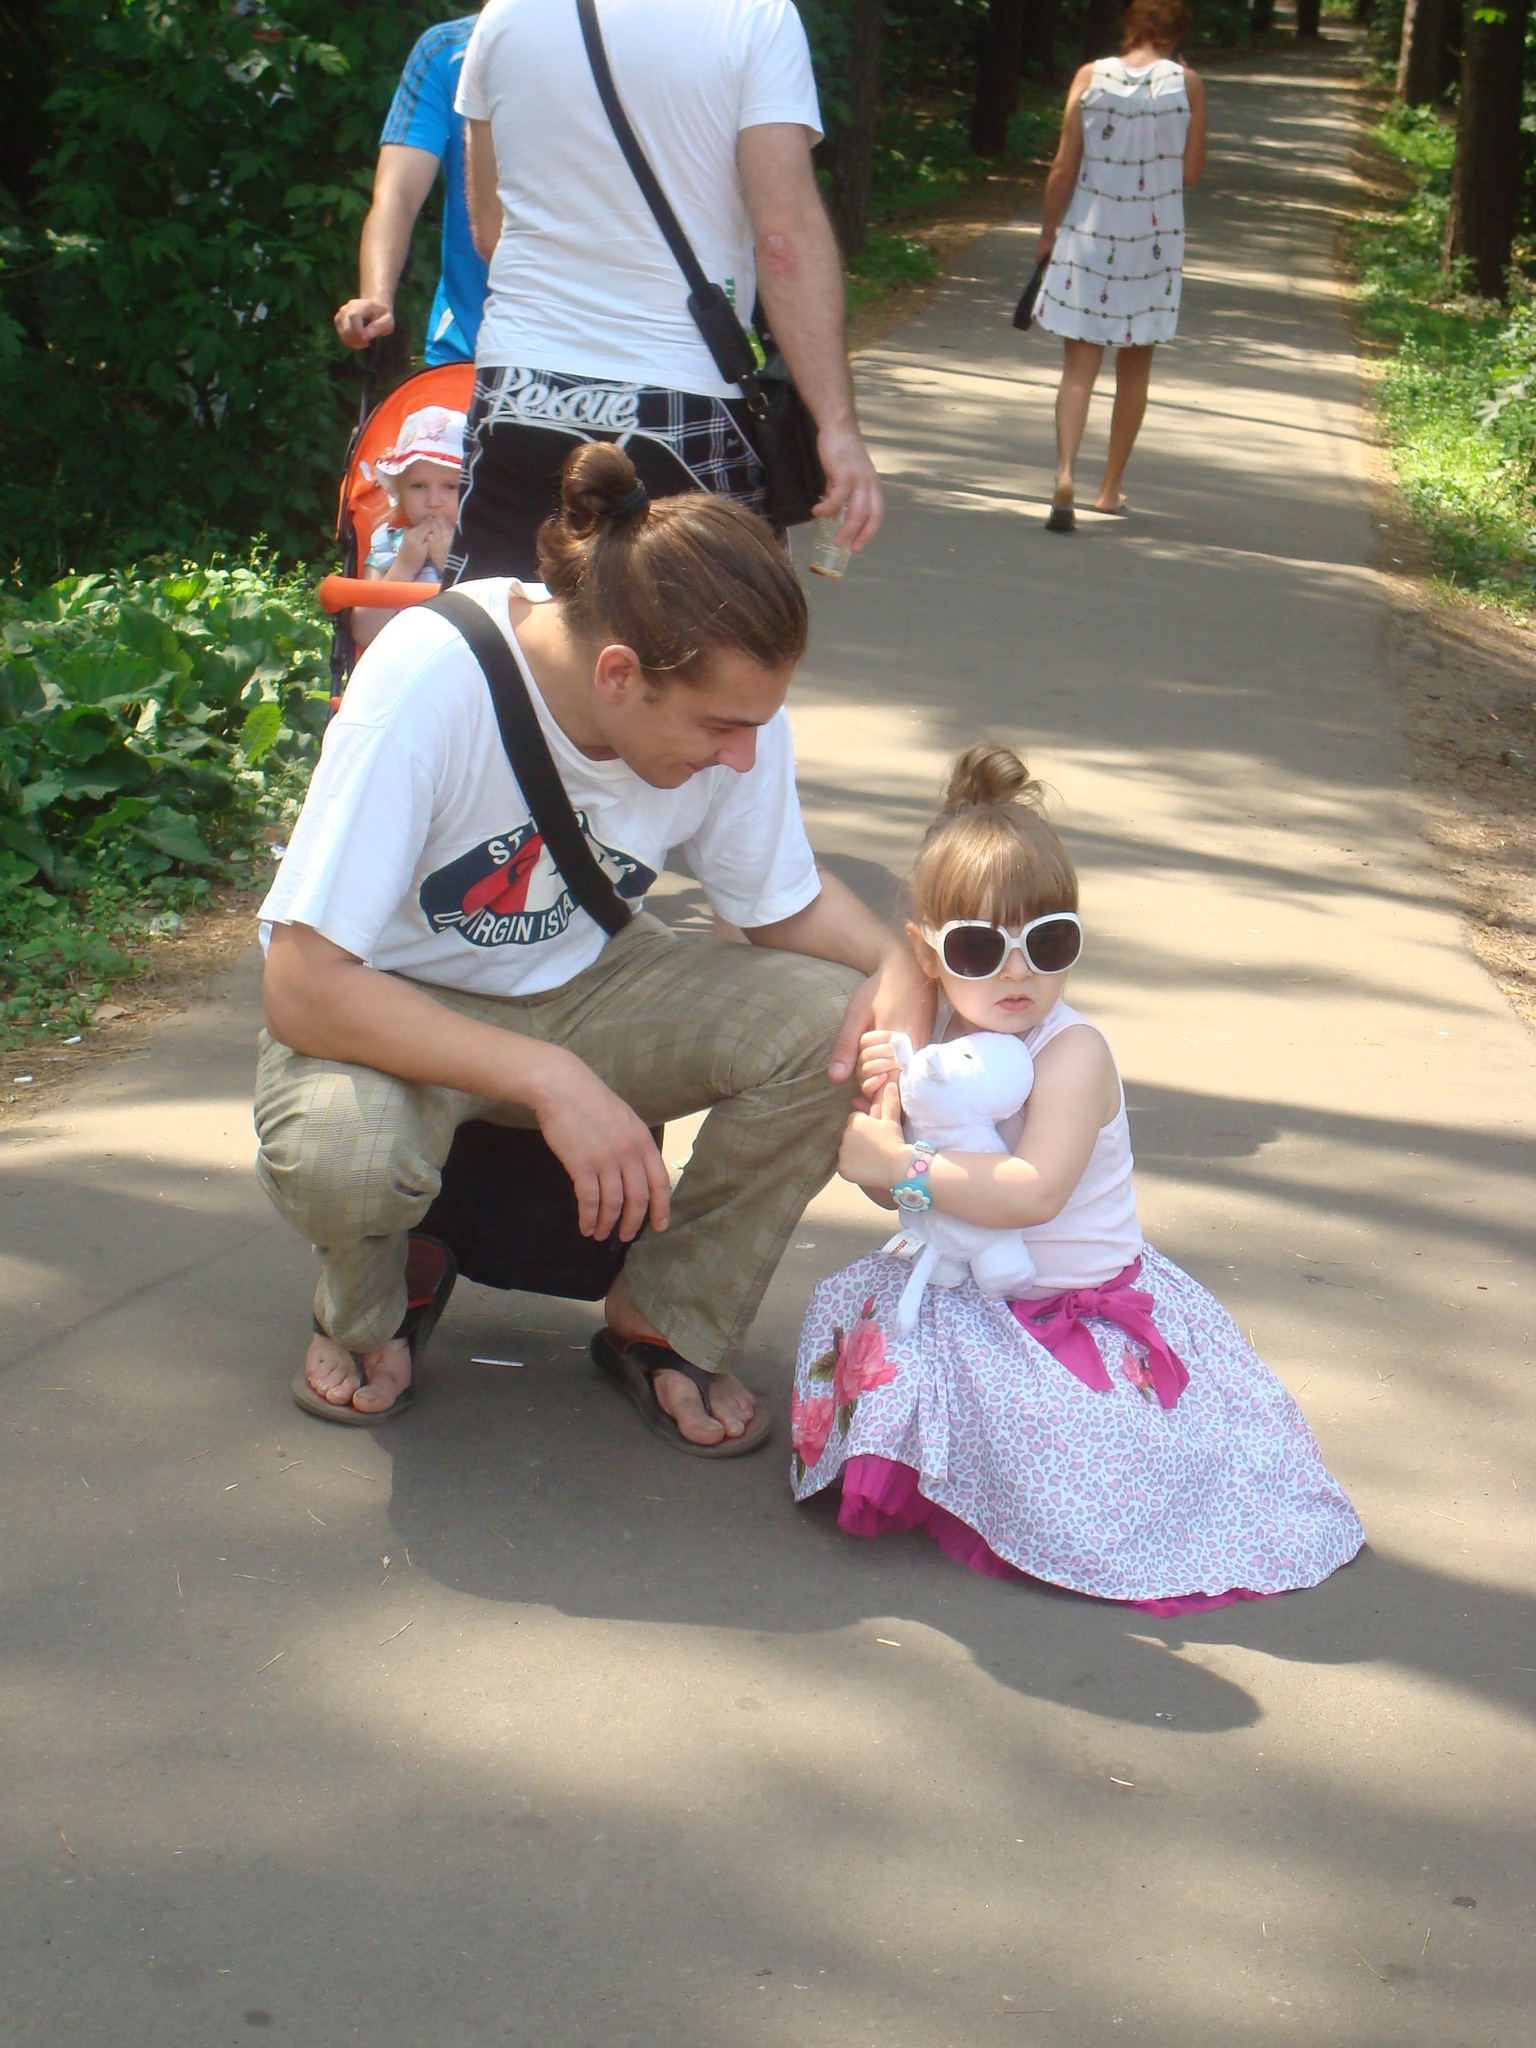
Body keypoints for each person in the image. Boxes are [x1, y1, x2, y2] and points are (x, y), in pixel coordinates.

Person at [255, 444, 926, 1451]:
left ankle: (668, 1315)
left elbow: (779, 901)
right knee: (347, 1159)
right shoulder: (433, 677)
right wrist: (550, 1077)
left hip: (588, 978)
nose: (743, 755)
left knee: (836, 1024)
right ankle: (367, 1306)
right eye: (721, 727)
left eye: (757, 725)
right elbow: (303, 986)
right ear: (618, 673)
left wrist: (898, 968)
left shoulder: (735, 711)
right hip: (393, 1005)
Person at [790, 744, 1366, 1610]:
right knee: (854, 1317)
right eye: (980, 947)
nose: (1017, 971)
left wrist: (898, 1163)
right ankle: (959, 1468)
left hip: (1072, 1308)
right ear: (928, 953)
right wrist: (884, 1134)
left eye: (1047, 940)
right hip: (966, 1291)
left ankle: (1046, 1492)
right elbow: (908, 1197)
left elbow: (1033, 1190)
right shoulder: (935, 1037)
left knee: (1061, 1431)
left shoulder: (1074, 1052)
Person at [443, 0, 882, 582]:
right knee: (709, 634)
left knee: (507, 626)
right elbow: (783, 242)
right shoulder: (751, 15)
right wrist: (836, 424)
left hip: (520, 389)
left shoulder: (505, 15)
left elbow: (488, 230)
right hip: (681, 395)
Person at [1032, 0, 1206, 531]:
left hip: (1089, 233)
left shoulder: (1091, 76)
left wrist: (1047, 233)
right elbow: (1191, 172)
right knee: (1134, 369)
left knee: (1078, 368)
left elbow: (1064, 166)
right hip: (1152, 242)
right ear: (1177, 34)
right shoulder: (1186, 84)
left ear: (1131, 27)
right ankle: (1109, 488)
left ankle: (1065, 474)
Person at [334, 15, 490, 367]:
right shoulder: (447, 50)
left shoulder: (608, 45)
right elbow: (398, 194)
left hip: (597, 340)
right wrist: (376, 298)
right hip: (467, 345)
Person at [352, 406, 467, 651]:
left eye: (450, 486)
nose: (433, 501)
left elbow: (495, 622)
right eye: (418, 486)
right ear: (400, 492)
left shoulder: (478, 546)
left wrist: (451, 567)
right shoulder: (386, 548)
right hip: (402, 660)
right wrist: (403, 567)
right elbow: (363, 632)